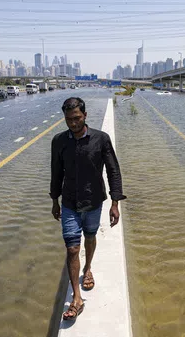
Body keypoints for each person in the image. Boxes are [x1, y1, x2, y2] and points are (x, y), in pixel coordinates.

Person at [50, 97, 126, 321]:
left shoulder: (101, 139)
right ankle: (76, 297)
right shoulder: (59, 141)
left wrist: (115, 203)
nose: (72, 123)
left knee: (90, 237)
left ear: (85, 116)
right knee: (72, 248)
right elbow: (56, 173)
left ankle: (88, 268)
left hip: (94, 202)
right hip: (70, 203)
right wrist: (55, 200)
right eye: (68, 119)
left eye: (76, 118)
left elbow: (113, 171)